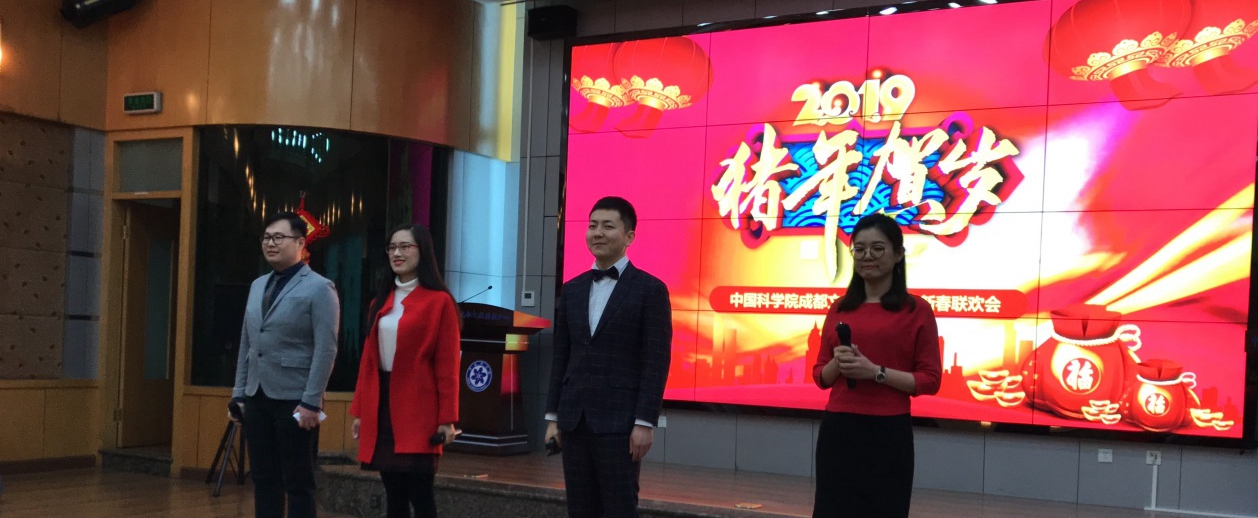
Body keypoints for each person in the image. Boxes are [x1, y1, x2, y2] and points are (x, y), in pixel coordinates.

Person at [545, 196, 673, 518]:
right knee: (580, 509)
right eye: (592, 226)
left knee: (619, 509)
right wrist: (552, 417)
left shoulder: (650, 289)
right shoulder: (572, 289)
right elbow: (561, 357)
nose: (597, 233)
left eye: (607, 226)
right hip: (574, 420)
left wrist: (644, 422)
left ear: (629, 236)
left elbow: (656, 361)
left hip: (620, 423)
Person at [811, 213, 942, 518]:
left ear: (898, 254)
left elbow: (930, 380)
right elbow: (820, 375)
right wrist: (839, 363)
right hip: (838, 430)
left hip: (888, 431)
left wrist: (875, 373)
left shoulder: (917, 310)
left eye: (878, 248)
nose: (867, 256)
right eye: (859, 249)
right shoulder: (839, 308)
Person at [230, 211, 340, 518]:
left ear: (301, 243)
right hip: (257, 396)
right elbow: (247, 344)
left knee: (298, 482)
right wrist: (239, 394)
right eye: (266, 238)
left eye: (278, 237)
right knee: (263, 479)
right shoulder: (257, 285)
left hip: (296, 399)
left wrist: (312, 401)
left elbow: (326, 348)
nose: (270, 243)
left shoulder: (320, 287)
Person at [349, 224, 461, 518]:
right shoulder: (379, 301)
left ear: (423, 251)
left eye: (405, 247)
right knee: (393, 495)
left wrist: (447, 419)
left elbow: (447, 366)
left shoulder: (440, 301)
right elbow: (368, 362)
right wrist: (360, 411)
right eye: (391, 247)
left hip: (419, 409)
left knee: (421, 494)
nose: (396, 253)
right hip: (381, 403)